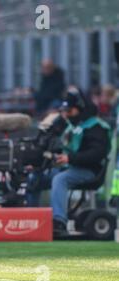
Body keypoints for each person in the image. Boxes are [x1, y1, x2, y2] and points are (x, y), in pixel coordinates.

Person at [26, 86, 111, 234]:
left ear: (80, 109)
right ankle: (30, 218)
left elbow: (97, 154)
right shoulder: (69, 125)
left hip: (90, 170)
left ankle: (59, 222)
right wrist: (37, 164)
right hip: (69, 167)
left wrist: (69, 158)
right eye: (65, 111)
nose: (67, 115)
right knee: (36, 177)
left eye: (70, 111)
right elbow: (53, 144)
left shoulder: (97, 127)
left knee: (60, 179)